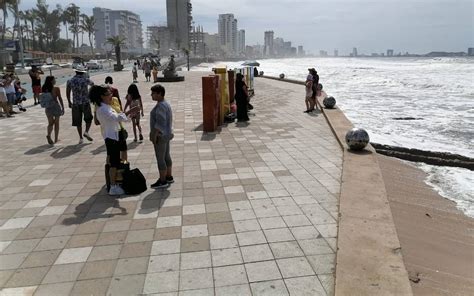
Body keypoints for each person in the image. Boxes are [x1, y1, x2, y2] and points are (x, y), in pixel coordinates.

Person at [90, 85, 137, 196]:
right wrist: (130, 111)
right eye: (108, 94)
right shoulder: (102, 109)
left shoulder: (106, 106)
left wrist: (128, 116)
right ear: (102, 96)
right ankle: (113, 186)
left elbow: (119, 116)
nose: (111, 96)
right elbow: (116, 117)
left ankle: (116, 182)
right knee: (114, 163)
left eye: (111, 93)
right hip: (111, 138)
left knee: (116, 161)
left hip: (114, 135)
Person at [149, 84, 174, 188]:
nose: (151, 95)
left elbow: (160, 122)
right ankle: (169, 176)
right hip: (167, 134)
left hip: (161, 136)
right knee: (166, 156)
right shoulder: (165, 103)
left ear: (159, 94)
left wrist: (155, 135)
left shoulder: (160, 106)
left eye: (153, 93)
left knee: (160, 158)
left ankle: (162, 180)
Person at [66, 66, 94, 144]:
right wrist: (89, 93)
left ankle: (80, 138)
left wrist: (69, 101)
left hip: (75, 103)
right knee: (88, 119)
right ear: (83, 72)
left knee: (78, 121)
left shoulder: (70, 81)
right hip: (85, 102)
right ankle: (86, 132)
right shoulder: (85, 80)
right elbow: (93, 85)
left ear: (76, 72)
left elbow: (68, 92)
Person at [42, 76, 65, 145]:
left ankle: (49, 135)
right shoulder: (56, 89)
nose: (55, 80)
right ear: (52, 81)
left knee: (50, 123)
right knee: (57, 123)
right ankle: (56, 139)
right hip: (55, 106)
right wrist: (63, 107)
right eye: (54, 79)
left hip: (48, 107)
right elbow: (60, 98)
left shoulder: (44, 88)